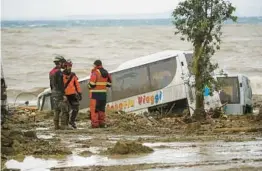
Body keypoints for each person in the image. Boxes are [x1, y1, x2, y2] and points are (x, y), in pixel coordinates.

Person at [88, 60, 112, 128]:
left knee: (94, 110)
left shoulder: (95, 72)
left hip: (95, 94)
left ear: (96, 65)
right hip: (103, 94)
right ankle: (102, 123)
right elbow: (109, 84)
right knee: (102, 109)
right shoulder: (106, 72)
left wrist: (88, 86)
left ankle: (95, 125)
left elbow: (92, 84)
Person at [49, 55, 70, 130]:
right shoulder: (59, 73)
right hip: (59, 92)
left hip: (53, 92)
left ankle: (56, 125)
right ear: (60, 63)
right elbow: (61, 84)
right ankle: (63, 125)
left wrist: (52, 91)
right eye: (63, 63)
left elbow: (51, 84)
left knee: (56, 109)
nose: (64, 64)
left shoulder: (51, 72)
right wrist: (64, 94)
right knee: (64, 109)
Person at [63, 60, 82, 129]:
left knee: (76, 108)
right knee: (66, 110)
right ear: (65, 66)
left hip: (73, 94)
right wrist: (62, 95)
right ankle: (65, 123)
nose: (70, 67)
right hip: (65, 95)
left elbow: (77, 85)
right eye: (68, 66)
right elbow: (60, 86)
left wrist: (79, 93)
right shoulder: (61, 75)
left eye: (70, 66)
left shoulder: (73, 75)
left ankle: (72, 121)